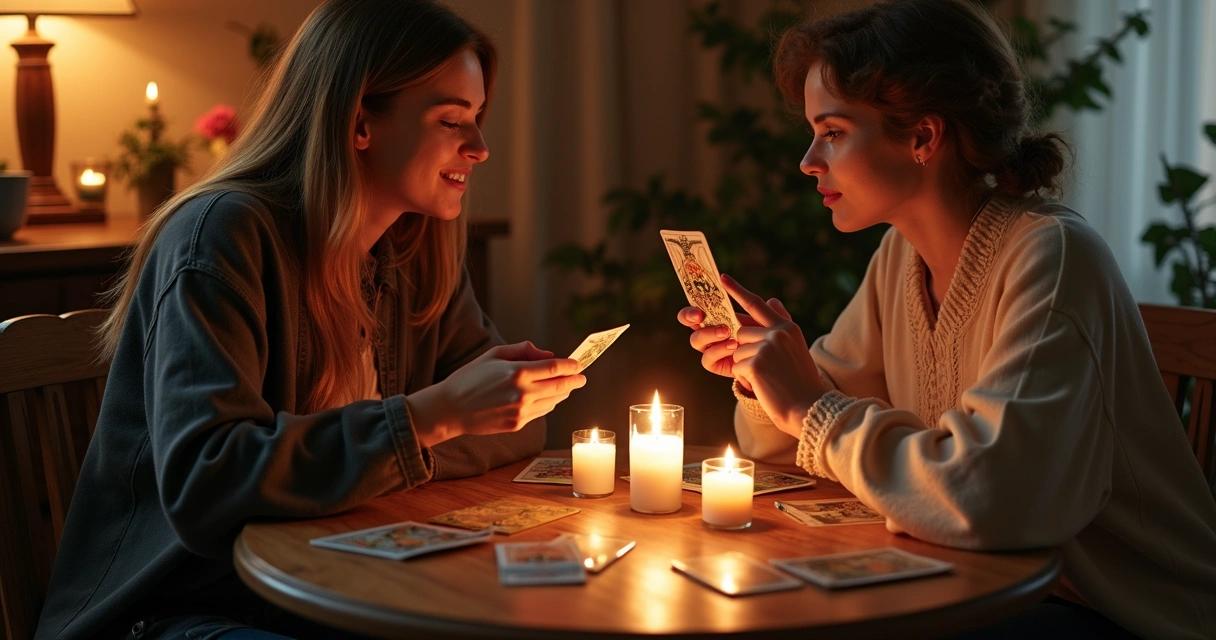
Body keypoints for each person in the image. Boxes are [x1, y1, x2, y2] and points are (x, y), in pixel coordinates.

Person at [34, 1, 585, 639]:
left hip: (327, 582)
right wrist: (429, 420)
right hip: (172, 611)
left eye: (477, 118)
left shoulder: (415, 251)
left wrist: (419, 440)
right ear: (360, 124)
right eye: (450, 120)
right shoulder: (220, 237)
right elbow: (208, 484)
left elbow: (519, 428)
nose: (480, 148)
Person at [677, 1, 1216, 638]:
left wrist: (812, 408)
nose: (808, 161)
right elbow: (786, 446)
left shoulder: (1050, 255)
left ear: (923, 137)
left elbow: (991, 498)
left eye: (834, 132)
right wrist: (765, 381)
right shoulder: (899, 257)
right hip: (982, 579)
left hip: (1118, 610)